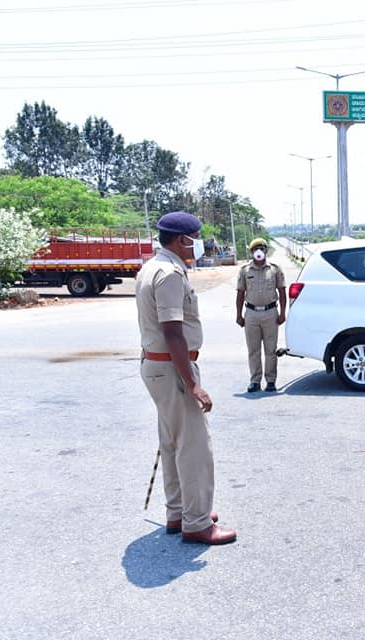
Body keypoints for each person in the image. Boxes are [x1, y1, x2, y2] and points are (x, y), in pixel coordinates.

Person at [135, 211, 236, 545]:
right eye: (196, 237)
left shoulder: (153, 267)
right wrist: (193, 383)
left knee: (171, 441)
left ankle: (179, 512)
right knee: (193, 446)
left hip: (159, 366)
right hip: (173, 366)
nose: (199, 244)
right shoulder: (169, 274)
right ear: (182, 240)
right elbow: (173, 331)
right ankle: (196, 523)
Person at [236, 237, 287, 393]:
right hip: (251, 313)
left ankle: (271, 381)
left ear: (266, 250)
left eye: (262, 248)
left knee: (271, 350)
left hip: (270, 313)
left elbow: (282, 292)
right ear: (252, 252)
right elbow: (240, 293)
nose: (259, 251)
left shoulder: (275, 269)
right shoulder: (245, 270)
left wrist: (283, 313)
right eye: (256, 249)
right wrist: (239, 315)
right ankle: (255, 381)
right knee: (253, 350)